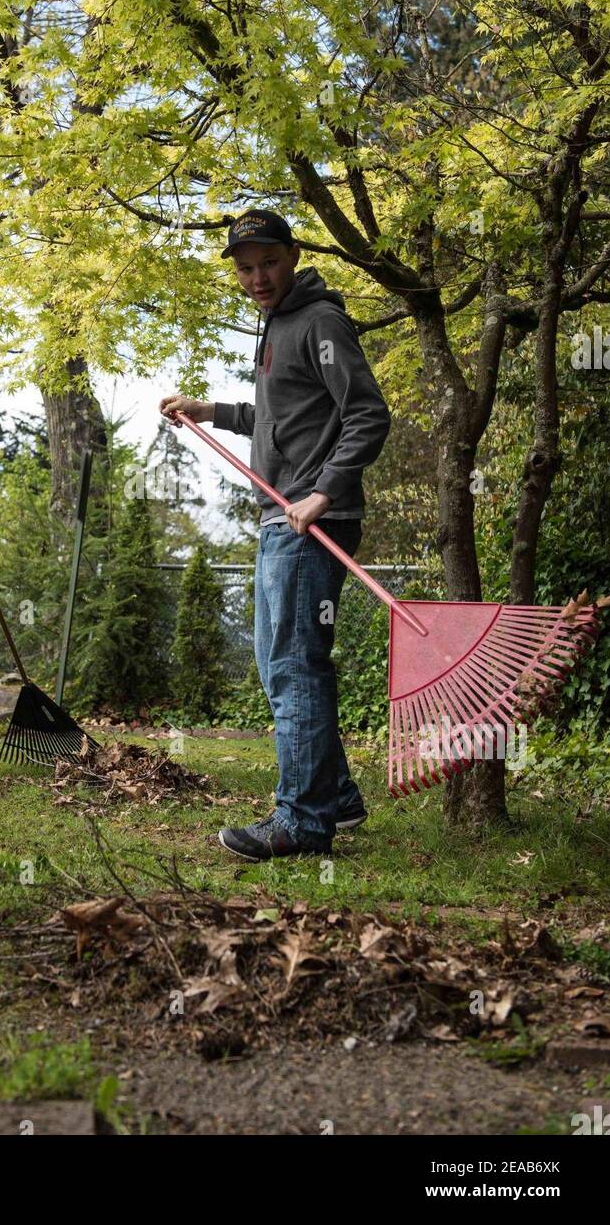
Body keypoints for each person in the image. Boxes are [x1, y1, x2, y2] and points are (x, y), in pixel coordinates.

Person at [160, 209, 391, 860]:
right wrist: (213, 411)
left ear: (292, 256)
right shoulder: (279, 325)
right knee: (282, 664)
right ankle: (335, 795)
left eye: (267, 263)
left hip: (310, 521)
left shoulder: (318, 321)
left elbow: (367, 413)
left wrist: (322, 492)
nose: (257, 277)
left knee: (292, 666)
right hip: (281, 516)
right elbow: (284, 416)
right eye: (245, 267)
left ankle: (301, 820)